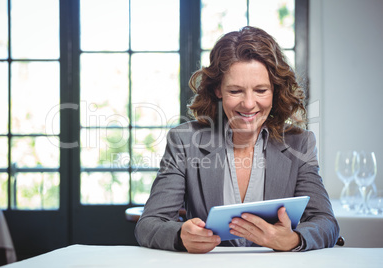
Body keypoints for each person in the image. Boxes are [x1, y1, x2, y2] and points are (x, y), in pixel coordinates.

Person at [135, 26, 339, 253]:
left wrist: (294, 239)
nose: (249, 104)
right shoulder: (184, 141)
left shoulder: (299, 143)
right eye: (235, 91)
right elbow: (148, 224)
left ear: (275, 90)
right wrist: (180, 236)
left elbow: (327, 223)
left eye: (261, 90)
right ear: (218, 90)